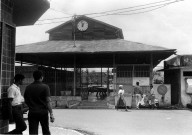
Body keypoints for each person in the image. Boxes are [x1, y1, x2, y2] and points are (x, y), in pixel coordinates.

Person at [24, 70, 55, 135]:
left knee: (33, 132)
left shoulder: (28, 87)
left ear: (33, 77)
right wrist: (51, 113)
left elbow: (26, 100)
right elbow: (48, 101)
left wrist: (31, 106)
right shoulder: (45, 87)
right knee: (46, 131)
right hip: (43, 113)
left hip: (32, 112)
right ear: (41, 77)